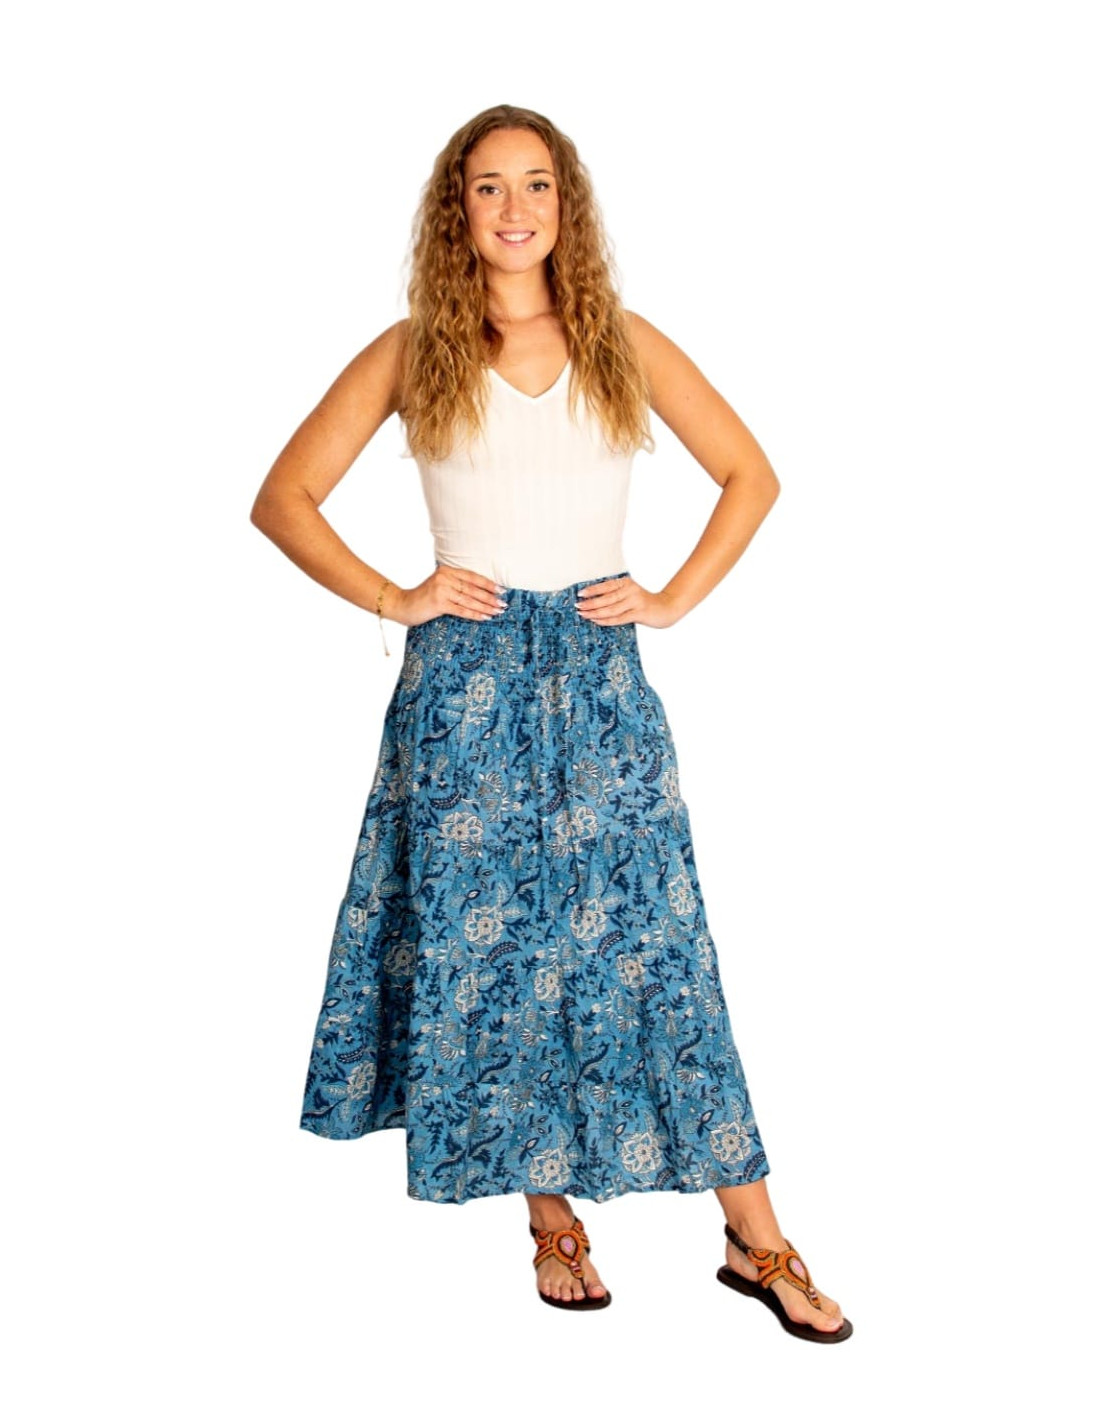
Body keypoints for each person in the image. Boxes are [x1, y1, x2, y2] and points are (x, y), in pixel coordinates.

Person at [250, 103, 851, 1342]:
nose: (513, 208)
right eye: (487, 187)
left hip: (597, 675)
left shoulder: (619, 340)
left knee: (659, 950)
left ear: (563, 205)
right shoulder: (411, 350)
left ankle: (754, 1236)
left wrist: (670, 598)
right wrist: (396, 596)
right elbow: (284, 497)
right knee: (498, 961)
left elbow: (751, 475)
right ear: (455, 210)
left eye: (535, 184)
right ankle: (549, 1218)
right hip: (460, 687)